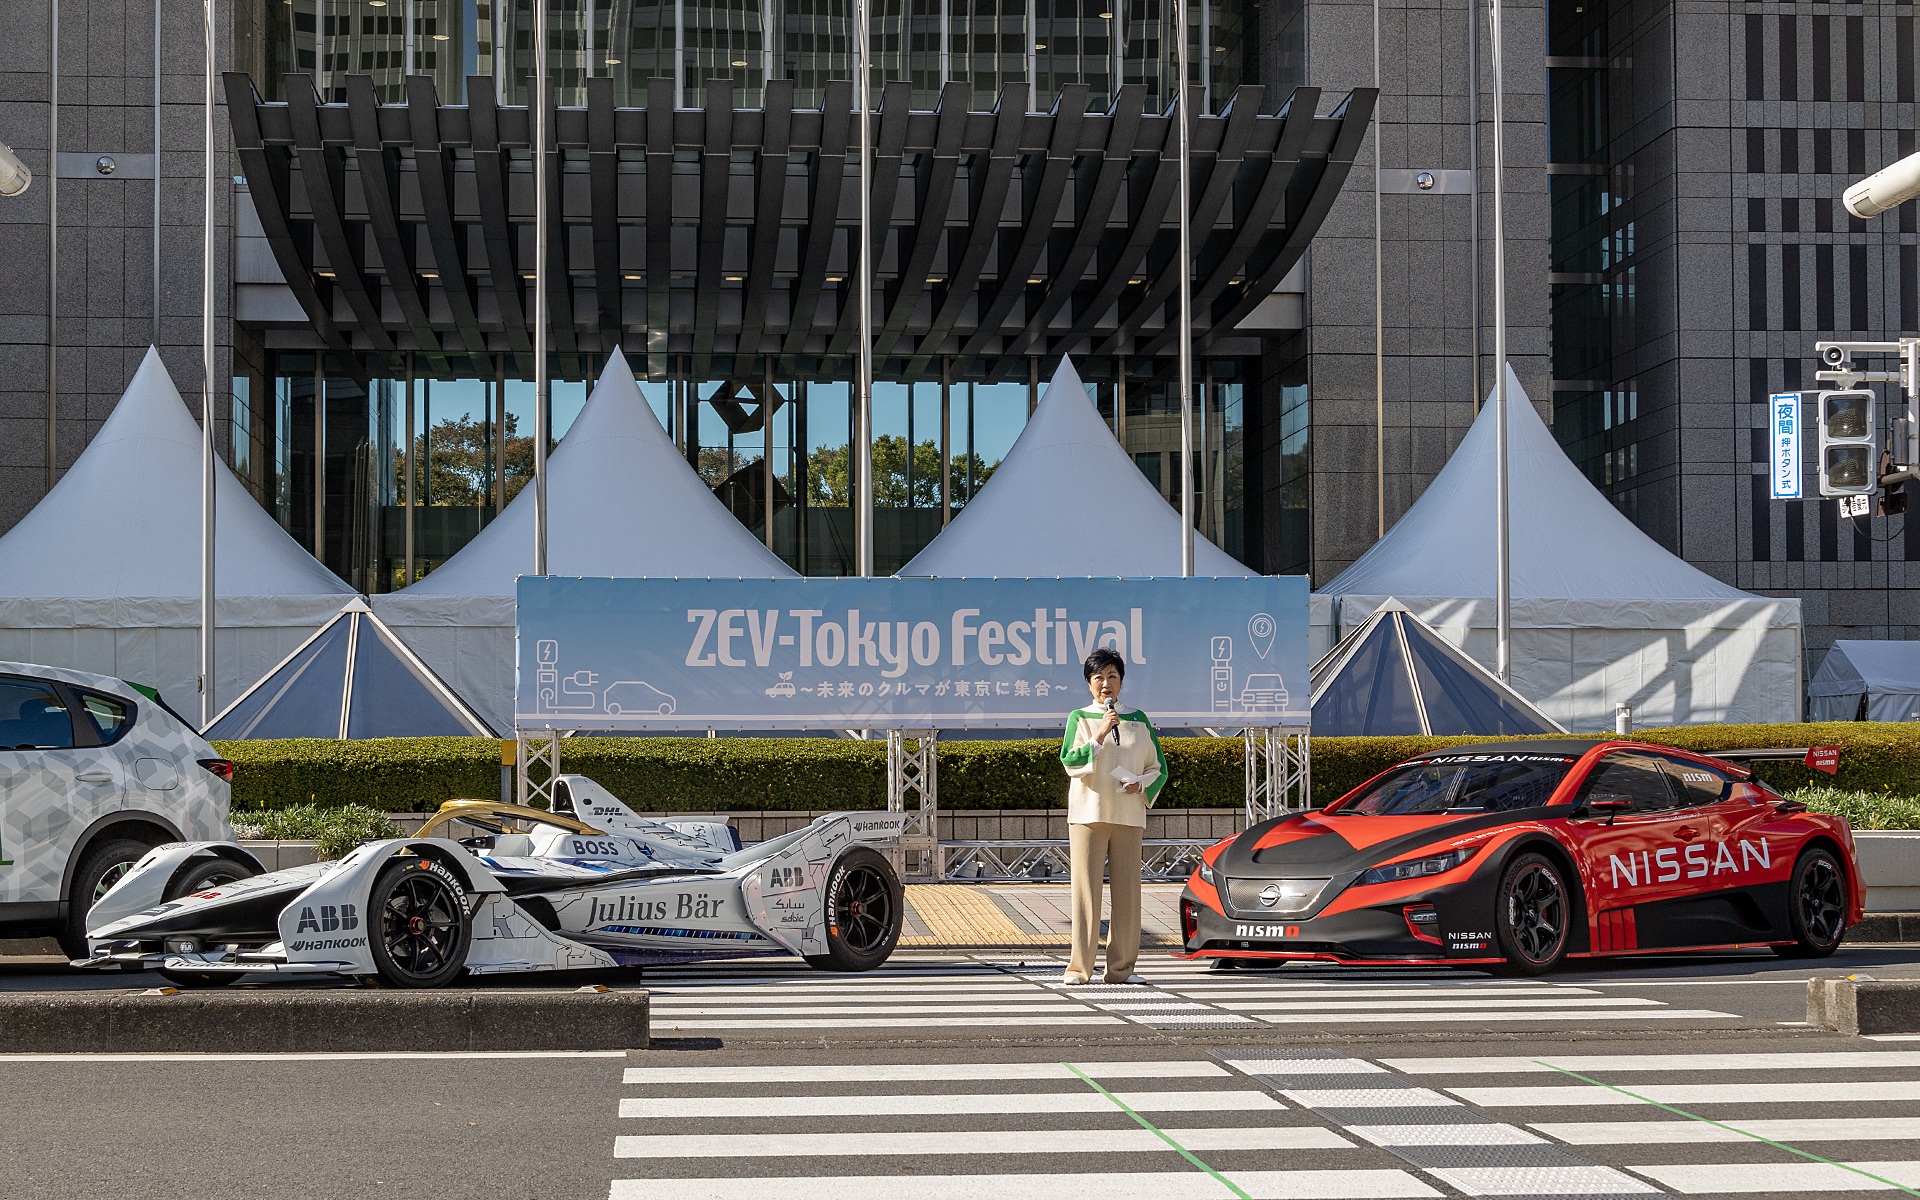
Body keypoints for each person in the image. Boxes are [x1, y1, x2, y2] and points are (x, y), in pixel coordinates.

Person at [1058, 646, 1168, 985]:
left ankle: (1121, 969)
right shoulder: (1081, 718)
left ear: (1122, 681)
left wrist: (1142, 783)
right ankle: (1079, 969)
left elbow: (1158, 767)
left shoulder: (1139, 719)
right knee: (1086, 893)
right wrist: (1100, 733)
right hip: (1088, 815)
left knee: (1127, 894)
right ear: (1089, 684)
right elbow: (1070, 760)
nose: (1106, 684)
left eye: (1113, 677)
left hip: (1128, 815)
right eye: (1099, 678)